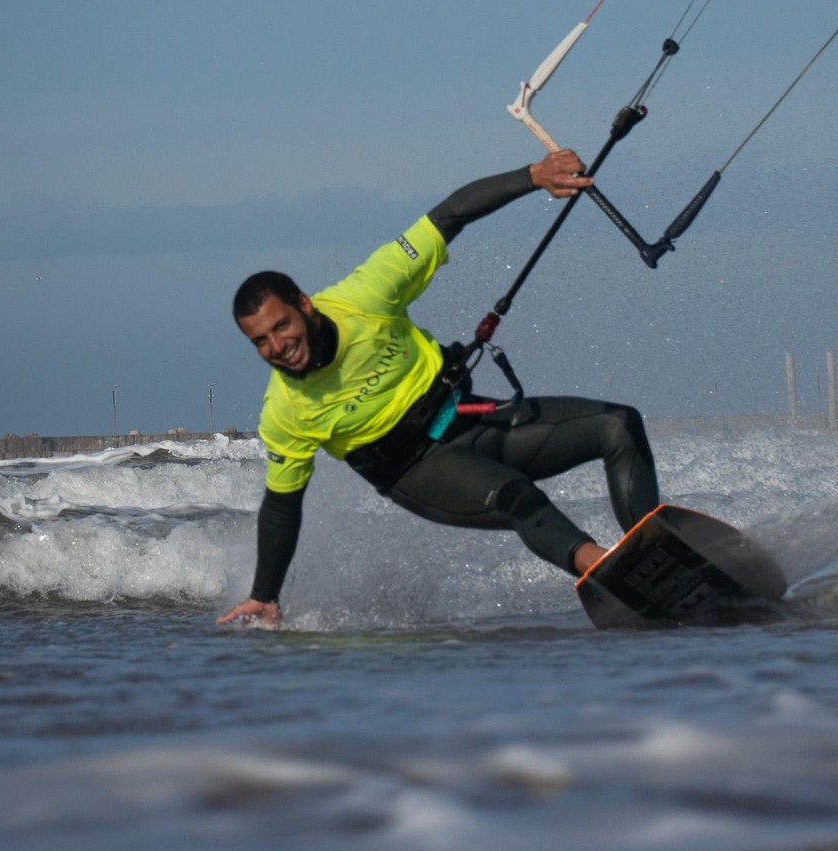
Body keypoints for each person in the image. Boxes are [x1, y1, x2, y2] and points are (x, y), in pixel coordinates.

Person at [218, 149, 660, 629]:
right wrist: (264, 594)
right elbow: (282, 507)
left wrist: (533, 176)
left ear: (304, 305)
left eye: (280, 326)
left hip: (469, 418)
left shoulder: (367, 294)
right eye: (260, 341)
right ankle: (607, 571)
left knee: (618, 426)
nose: (277, 346)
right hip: (419, 471)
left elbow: (449, 215)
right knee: (519, 497)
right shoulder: (286, 411)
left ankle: (659, 555)